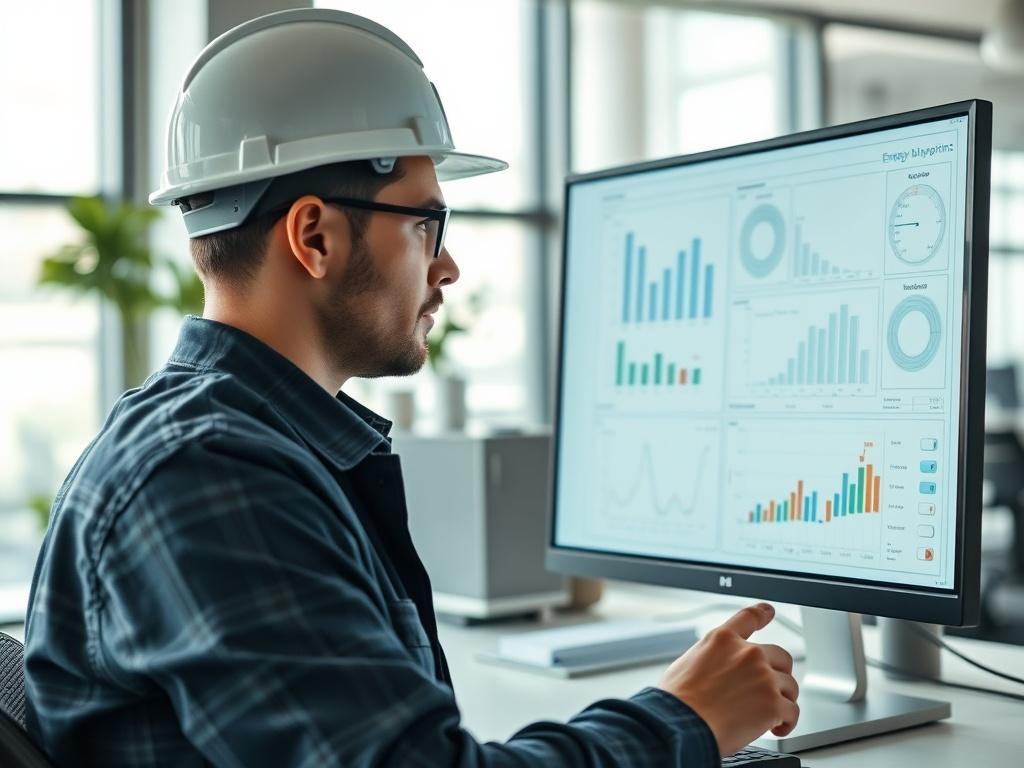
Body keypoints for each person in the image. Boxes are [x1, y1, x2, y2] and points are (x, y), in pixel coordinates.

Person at [23, 9, 798, 767]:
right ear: (314, 236)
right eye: (427, 224)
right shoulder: (206, 475)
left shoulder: (243, 444)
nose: (448, 266)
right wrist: (685, 720)